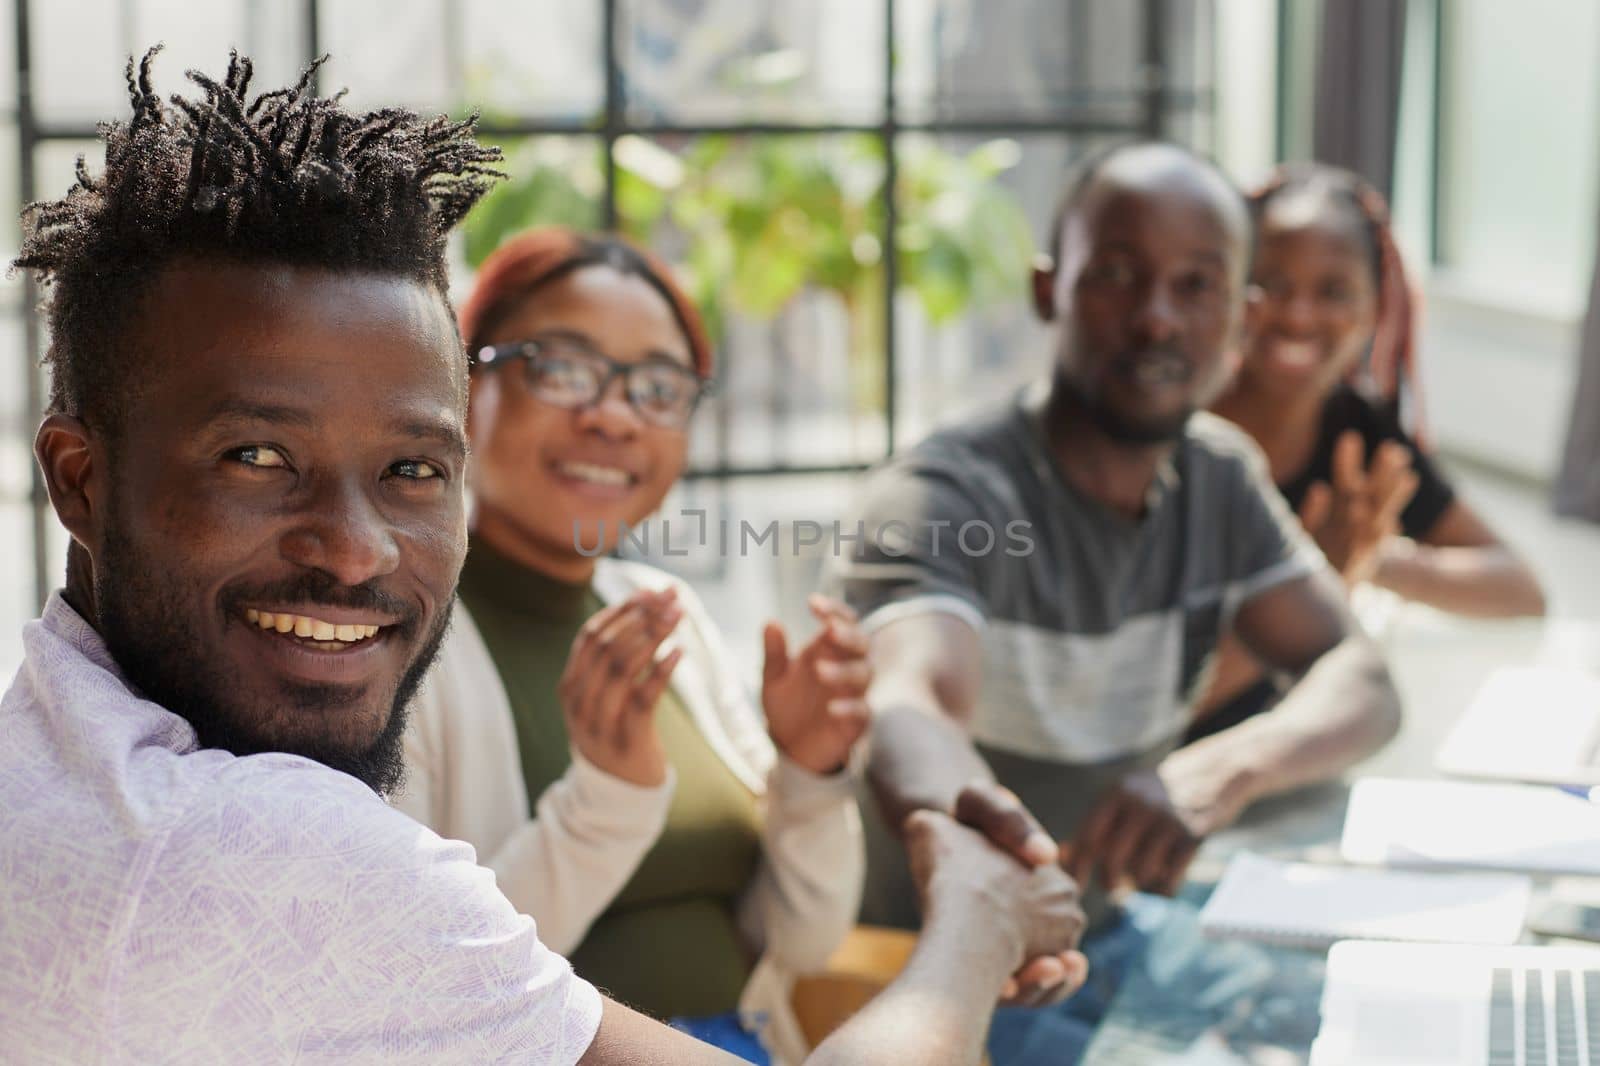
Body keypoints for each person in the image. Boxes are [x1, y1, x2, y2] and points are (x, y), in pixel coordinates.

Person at [0, 49, 1086, 1065]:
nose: (353, 548)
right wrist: (978, 922)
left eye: (413, 470)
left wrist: (808, 779)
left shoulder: (61, 750)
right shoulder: (241, 832)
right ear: (80, 480)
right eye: (255, 456)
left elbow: (787, 941)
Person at [826, 141, 1405, 1059]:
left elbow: (1361, 676)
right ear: (1048, 289)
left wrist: (1214, 773)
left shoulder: (1218, 478)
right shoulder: (947, 493)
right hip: (938, 976)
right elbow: (911, 704)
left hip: (1109, 940)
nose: (1156, 319)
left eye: (1195, 285)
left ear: (1240, 318)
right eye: (1118, 277)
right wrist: (994, 841)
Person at [393, 227, 870, 1059]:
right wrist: (606, 799)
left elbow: (800, 945)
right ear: (464, 385)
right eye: (565, 368)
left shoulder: (664, 611)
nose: (613, 416)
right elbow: (427, 978)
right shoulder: (395, 642)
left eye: (657, 386)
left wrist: (810, 774)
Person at [1191, 163, 1545, 741]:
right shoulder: (1177, 428)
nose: (1299, 315)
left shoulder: (1361, 436)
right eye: (1272, 283)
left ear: (1378, 307)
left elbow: (1521, 590)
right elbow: (1155, 710)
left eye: (1332, 291)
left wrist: (1373, 557)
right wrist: (1317, 575)